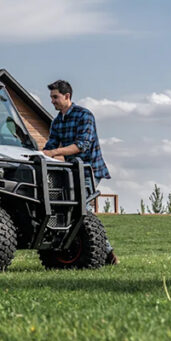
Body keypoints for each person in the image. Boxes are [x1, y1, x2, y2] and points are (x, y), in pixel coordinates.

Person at [41, 79, 119, 265]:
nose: (52, 101)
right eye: (51, 97)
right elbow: (50, 146)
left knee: (83, 209)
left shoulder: (85, 116)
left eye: (55, 97)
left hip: (89, 169)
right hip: (70, 171)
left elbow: (82, 146)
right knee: (68, 208)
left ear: (67, 96)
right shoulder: (57, 122)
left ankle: (107, 253)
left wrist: (54, 153)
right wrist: (40, 154)